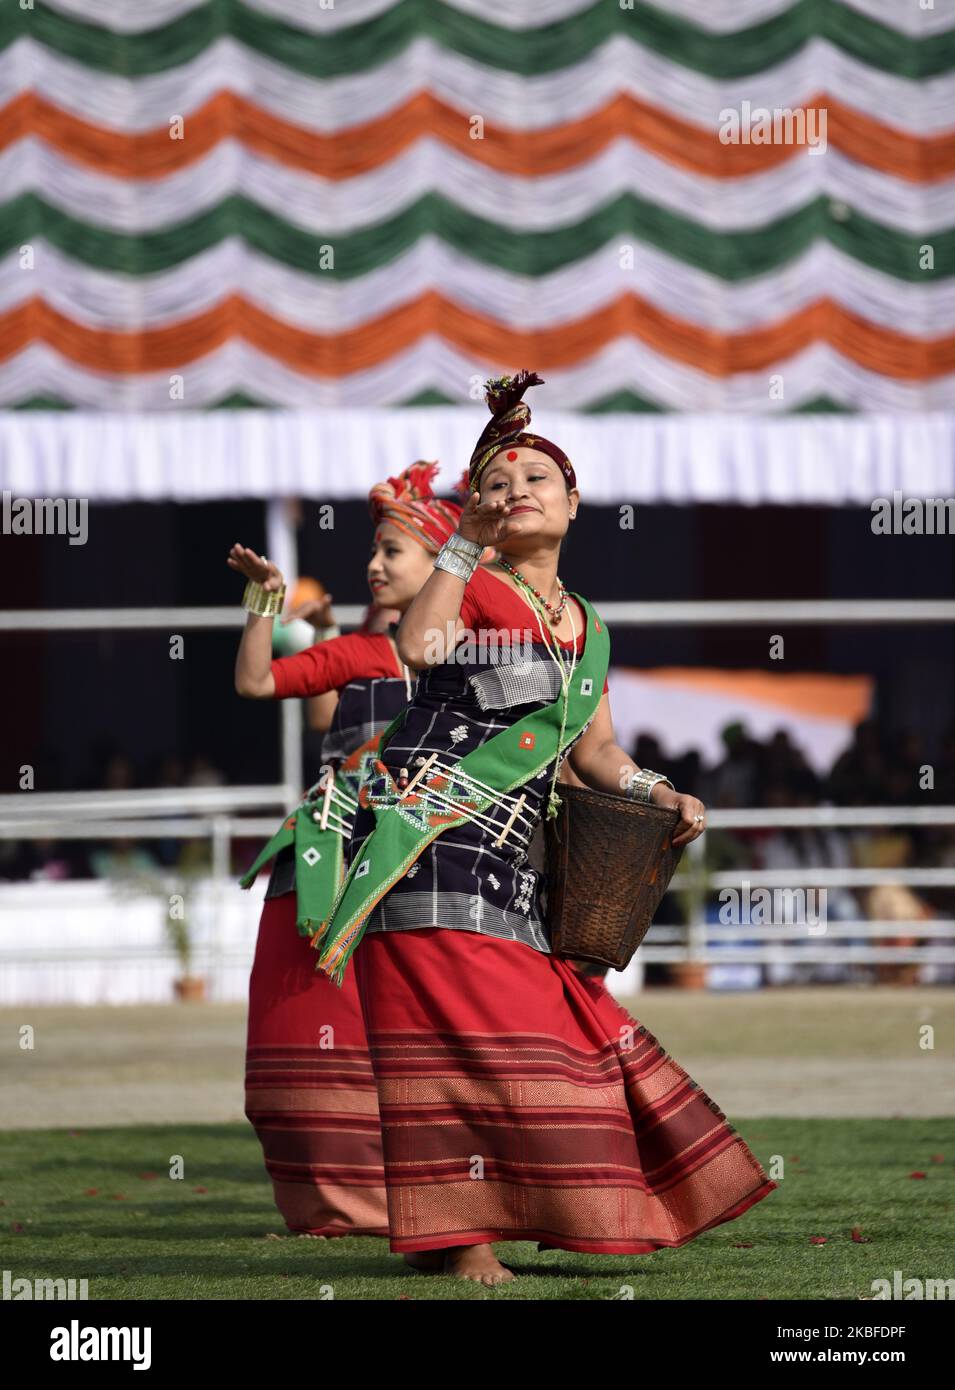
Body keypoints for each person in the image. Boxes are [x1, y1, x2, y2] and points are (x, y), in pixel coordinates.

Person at [313, 372, 777, 1284]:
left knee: (564, 1031)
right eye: (493, 483)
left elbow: (596, 751)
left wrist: (656, 791)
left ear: (574, 503)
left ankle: (512, 1220)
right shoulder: (473, 590)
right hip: (429, 848)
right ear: (471, 512)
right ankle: (463, 1240)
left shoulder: (589, 628)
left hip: (516, 869)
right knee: (468, 1050)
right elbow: (417, 649)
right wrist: (459, 553)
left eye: (534, 479)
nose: (513, 491)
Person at [229, 462, 473, 1237]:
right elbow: (258, 685)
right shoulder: (360, 656)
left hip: (432, 867)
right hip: (329, 861)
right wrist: (267, 605)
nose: (373, 564)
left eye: (392, 551)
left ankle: (452, 1198)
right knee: (302, 1029)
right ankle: (333, 1206)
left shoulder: (483, 661)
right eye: (374, 550)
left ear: (441, 566)